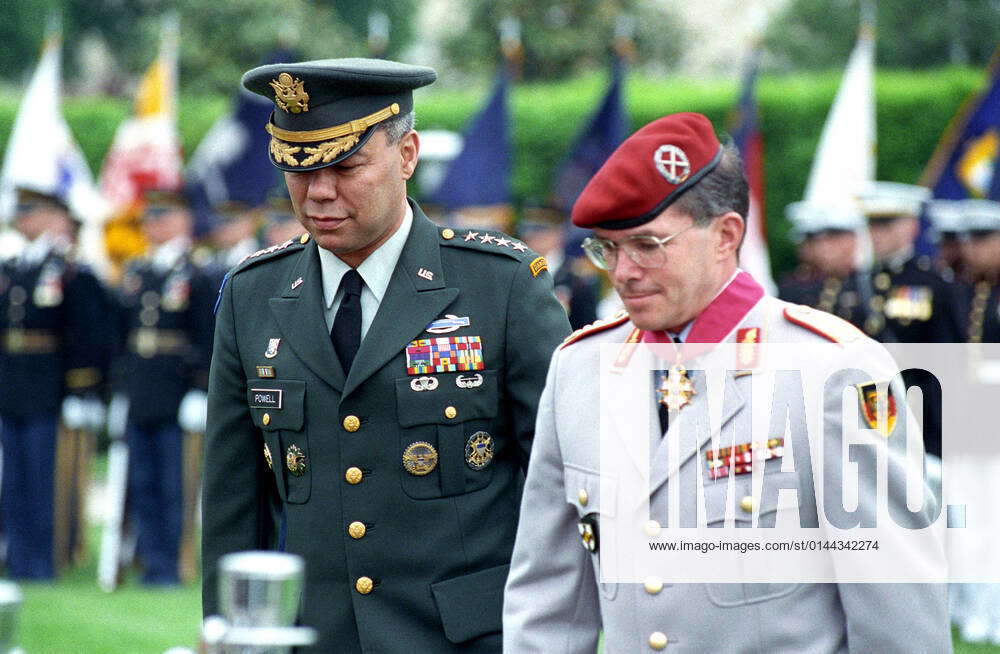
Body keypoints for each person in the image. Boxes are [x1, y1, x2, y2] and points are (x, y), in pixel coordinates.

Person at [502, 113, 951, 652]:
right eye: (607, 249)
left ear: (726, 235)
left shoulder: (833, 372)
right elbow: (547, 601)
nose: (622, 272)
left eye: (647, 245)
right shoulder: (579, 370)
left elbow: (897, 617)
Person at [201, 58, 571, 652]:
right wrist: (232, 634)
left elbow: (559, 482)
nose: (319, 191)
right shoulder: (253, 295)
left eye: (345, 166)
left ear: (407, 155)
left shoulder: (499, 284)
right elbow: (233, 505)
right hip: (315, 637)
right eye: (298, 170)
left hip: (464, 637)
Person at [0, 188, 107, 580]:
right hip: (12, 385)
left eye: (30, 211)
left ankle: (43, 560)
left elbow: (85, 330)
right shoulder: (13, 264)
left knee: (43, 478)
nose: (22, 218)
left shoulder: (65, 266)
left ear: (49, 216)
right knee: (14, 479)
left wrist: (82, 387)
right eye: (20, 210)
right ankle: (17, 556)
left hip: (49, 388)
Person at [112, 190, 216, 585]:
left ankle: (171, 564)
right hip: (142, 389)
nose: (154, 225)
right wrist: (120, 389)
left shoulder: (196, 272)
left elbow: (208, 335)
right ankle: (151, 560)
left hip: (177, 389)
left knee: (174, 483)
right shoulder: (139, 270)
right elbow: (123, 336)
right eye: (150, 218)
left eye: (163, 217)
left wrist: (201, 388)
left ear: (183, 221)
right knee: (143, 480)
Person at [778, 201, 869, 328]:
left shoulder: (869, 283)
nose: (823, 247)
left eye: (833, 237)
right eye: (813, 240)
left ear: (853, 239)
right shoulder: (794, 286)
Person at [519, 202, 601, 330]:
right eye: (528, 231)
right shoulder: (519, 273)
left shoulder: (577, 275)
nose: (531, 237)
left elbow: (589, 328)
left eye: (540, 231)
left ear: (558, 233)